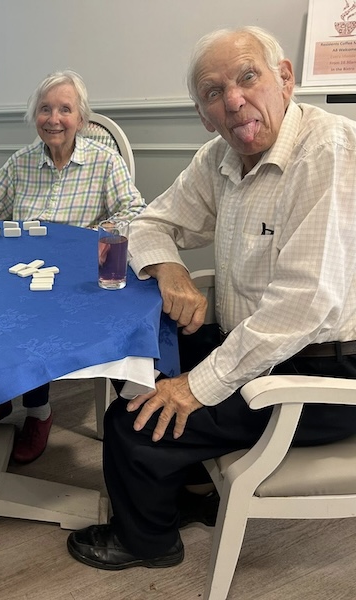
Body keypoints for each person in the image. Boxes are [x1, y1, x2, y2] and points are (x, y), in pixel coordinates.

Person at [67, 26, 356, 572]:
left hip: (325, 372)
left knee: (135, 421)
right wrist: (169, 267)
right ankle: (188, 490)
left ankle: (147, 542)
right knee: (143, 365)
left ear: (285, 79)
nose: (234, 101)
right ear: (204, 113)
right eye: (213, 92)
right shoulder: (217, 157)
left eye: (248, 77)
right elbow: (148, 222)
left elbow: (303, 308)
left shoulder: (329, 150)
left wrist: (196, 388)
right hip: (257, 345)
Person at [0, 69, 145, 464]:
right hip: (23, 272)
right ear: (35, 116)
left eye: (65, 109)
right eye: (45, 109)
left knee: (34, 315)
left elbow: (135, 213)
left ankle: (38, 411)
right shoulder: (19, 163)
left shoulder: (104, 162)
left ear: (81, 119)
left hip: (78, 282)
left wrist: (89, 239)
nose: (54, 118)